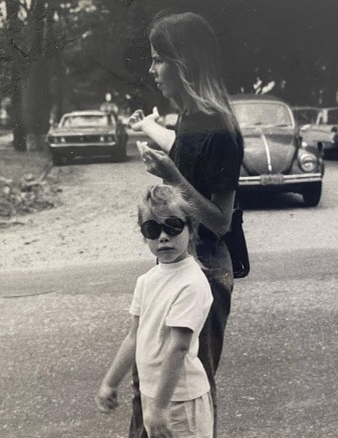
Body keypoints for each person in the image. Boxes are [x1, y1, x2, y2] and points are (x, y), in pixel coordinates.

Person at [127, 11, 244, 438]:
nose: (152, 69)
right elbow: (186, 166)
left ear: (184, 62)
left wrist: (171, 174)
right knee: (150, 368)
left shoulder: (222, 127)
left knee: (192, 383)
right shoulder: (191, 119)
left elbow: (220, 221)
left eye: (159, 59)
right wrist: (156, 136)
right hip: (176, 259)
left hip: (206, 269)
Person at [96, 184, 214, 438]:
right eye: (152, 229)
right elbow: (134, 336)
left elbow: (179, 346)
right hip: (155, 394)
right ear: (144, 235)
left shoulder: (191, 283)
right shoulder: (147, 280)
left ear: (191, 229)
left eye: (173, 226)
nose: (163, 236)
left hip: (181, 399)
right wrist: (110, 381)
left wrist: (160, 407)